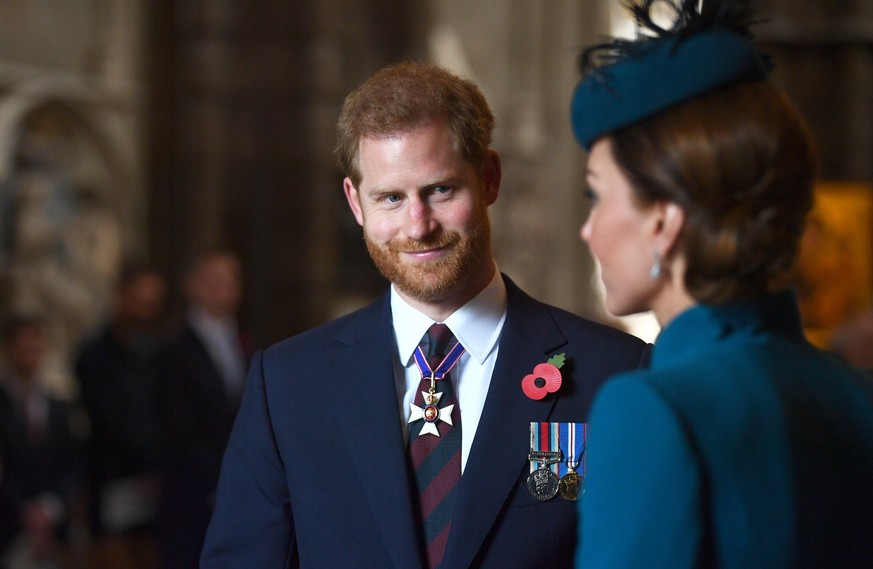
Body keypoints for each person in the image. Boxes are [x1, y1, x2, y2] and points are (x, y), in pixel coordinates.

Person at [200, 61, 650, 568]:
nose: (418, 226)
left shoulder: (616, 374)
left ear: (490, 178)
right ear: (355, 203)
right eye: (390, 198)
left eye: (440, 190)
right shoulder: (286, 386)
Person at [568, 1, 873, 567]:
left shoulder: (652, 410)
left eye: (596, 193)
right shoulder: (858, 396)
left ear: (663, 219)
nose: (588, 230)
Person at [153, 248, 254, 569]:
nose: (222, 289)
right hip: (193, 495)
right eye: (213, 281)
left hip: (243, 490)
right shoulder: (171, 349)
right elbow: (175, 426)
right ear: (191, 285)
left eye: (229, 281)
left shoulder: (248, 344)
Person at [74, 263, 167, 569]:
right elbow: (108, 419)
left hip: (155, 491)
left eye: (152, 304)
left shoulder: (155, 352)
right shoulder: (93, 356)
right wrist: (151, 455)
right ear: (121, 297)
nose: (146, 311)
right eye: (140, 301)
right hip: (114, 483)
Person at [0, 314, 84, 569]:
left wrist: (50, 507)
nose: (29, 352)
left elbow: (73, 461)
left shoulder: (59, 407)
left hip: (55, 527)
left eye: (35, 345)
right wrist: (24, 509)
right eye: (22, 345)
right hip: (9, 527)